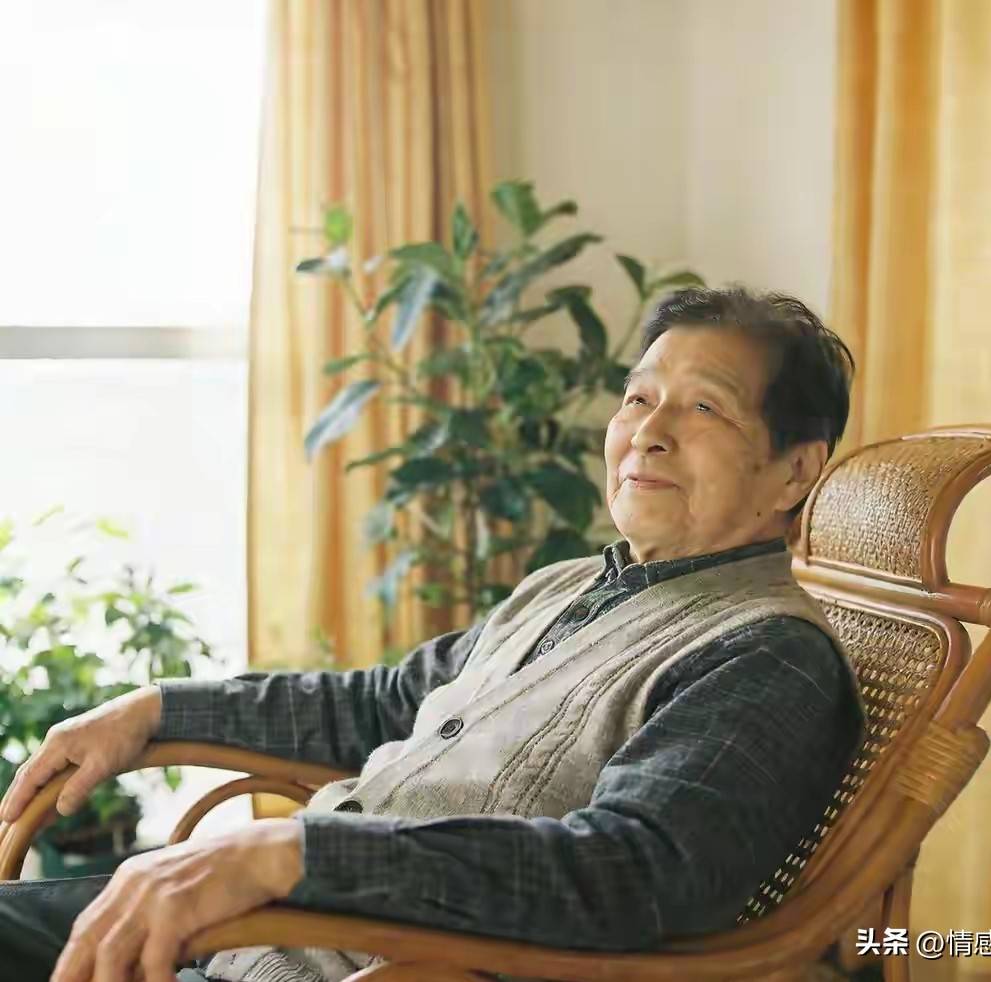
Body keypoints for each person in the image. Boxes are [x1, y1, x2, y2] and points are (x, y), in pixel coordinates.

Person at [0, 286, 868, 982]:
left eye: (705, 408)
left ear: (795, 469)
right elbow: (383, 703)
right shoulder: (569, 585)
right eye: (638, 397)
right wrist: (157, 708)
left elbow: (627, 873)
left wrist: (292, 853)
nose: (647, 432)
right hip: (242, 931)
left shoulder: (767, 656)